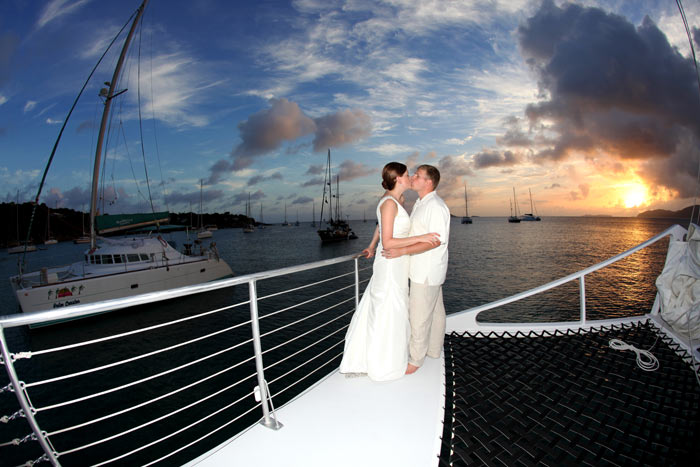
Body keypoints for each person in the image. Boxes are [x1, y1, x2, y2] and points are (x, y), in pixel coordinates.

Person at [339, 162, 440, 381]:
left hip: (399, 262)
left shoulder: (399, 200)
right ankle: (381, 362)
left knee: (396, 306)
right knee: (387, 306)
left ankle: (392, 354)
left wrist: (371, 244)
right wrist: (421, 237)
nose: (410, 177)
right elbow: (389, 241)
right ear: (398, 179)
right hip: (391, 262)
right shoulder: (389, 204)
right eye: (406, 174)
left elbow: (380, 227)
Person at [382, 165, 450, 375]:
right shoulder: (421, 203)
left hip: (426, 270)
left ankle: (415, 360)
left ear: (428, 182)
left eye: (418, 176)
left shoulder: (436, 206)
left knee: (419, 316)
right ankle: (433, 350)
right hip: (426, 269)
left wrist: (402, 251)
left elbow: (435, 242)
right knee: (436, 312)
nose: (413, 177)